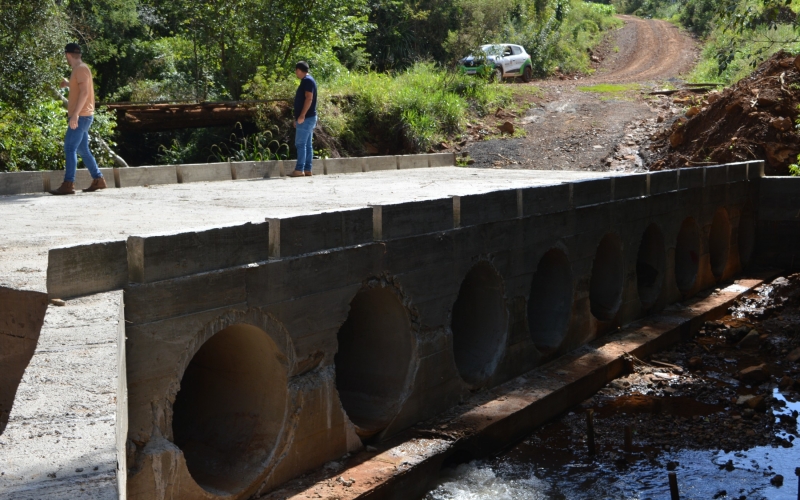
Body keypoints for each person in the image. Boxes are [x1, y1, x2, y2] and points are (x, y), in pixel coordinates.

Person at [50, 43, 106, 195]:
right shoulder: (80, 69)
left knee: (69, 148)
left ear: (68, 55)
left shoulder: (80, 68)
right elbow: (81, 87)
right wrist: (68, 84)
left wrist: (75, 114)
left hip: (81, 116)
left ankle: (68, 184)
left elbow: (85, 93)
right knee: (82, 149)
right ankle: (98, 179)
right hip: (84, 116)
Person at [289, 61, 318, 178]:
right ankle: (307, 169)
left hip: (306, 118)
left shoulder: (307, 81)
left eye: (296, 71)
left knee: (300, 144)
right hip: (309, 118)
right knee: (307, 144)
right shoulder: (308, 80)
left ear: (299, 70)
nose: (296, 73)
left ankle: (299, 169)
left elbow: (309, 98)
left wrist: (301, 116)